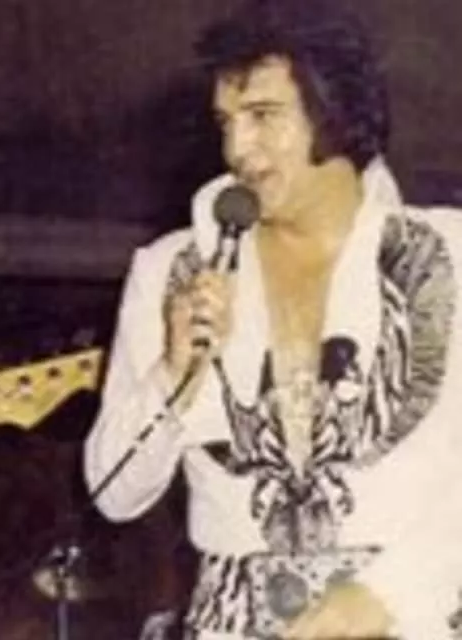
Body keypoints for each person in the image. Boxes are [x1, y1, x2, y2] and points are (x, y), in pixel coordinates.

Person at [84, 0, 462, 638]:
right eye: (225, 122)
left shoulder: (450, 256)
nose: (237, 148)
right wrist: (171, 377)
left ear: (336, 111)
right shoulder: (168, 270)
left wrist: (389, 594)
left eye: (263, 116)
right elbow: (113, 494)